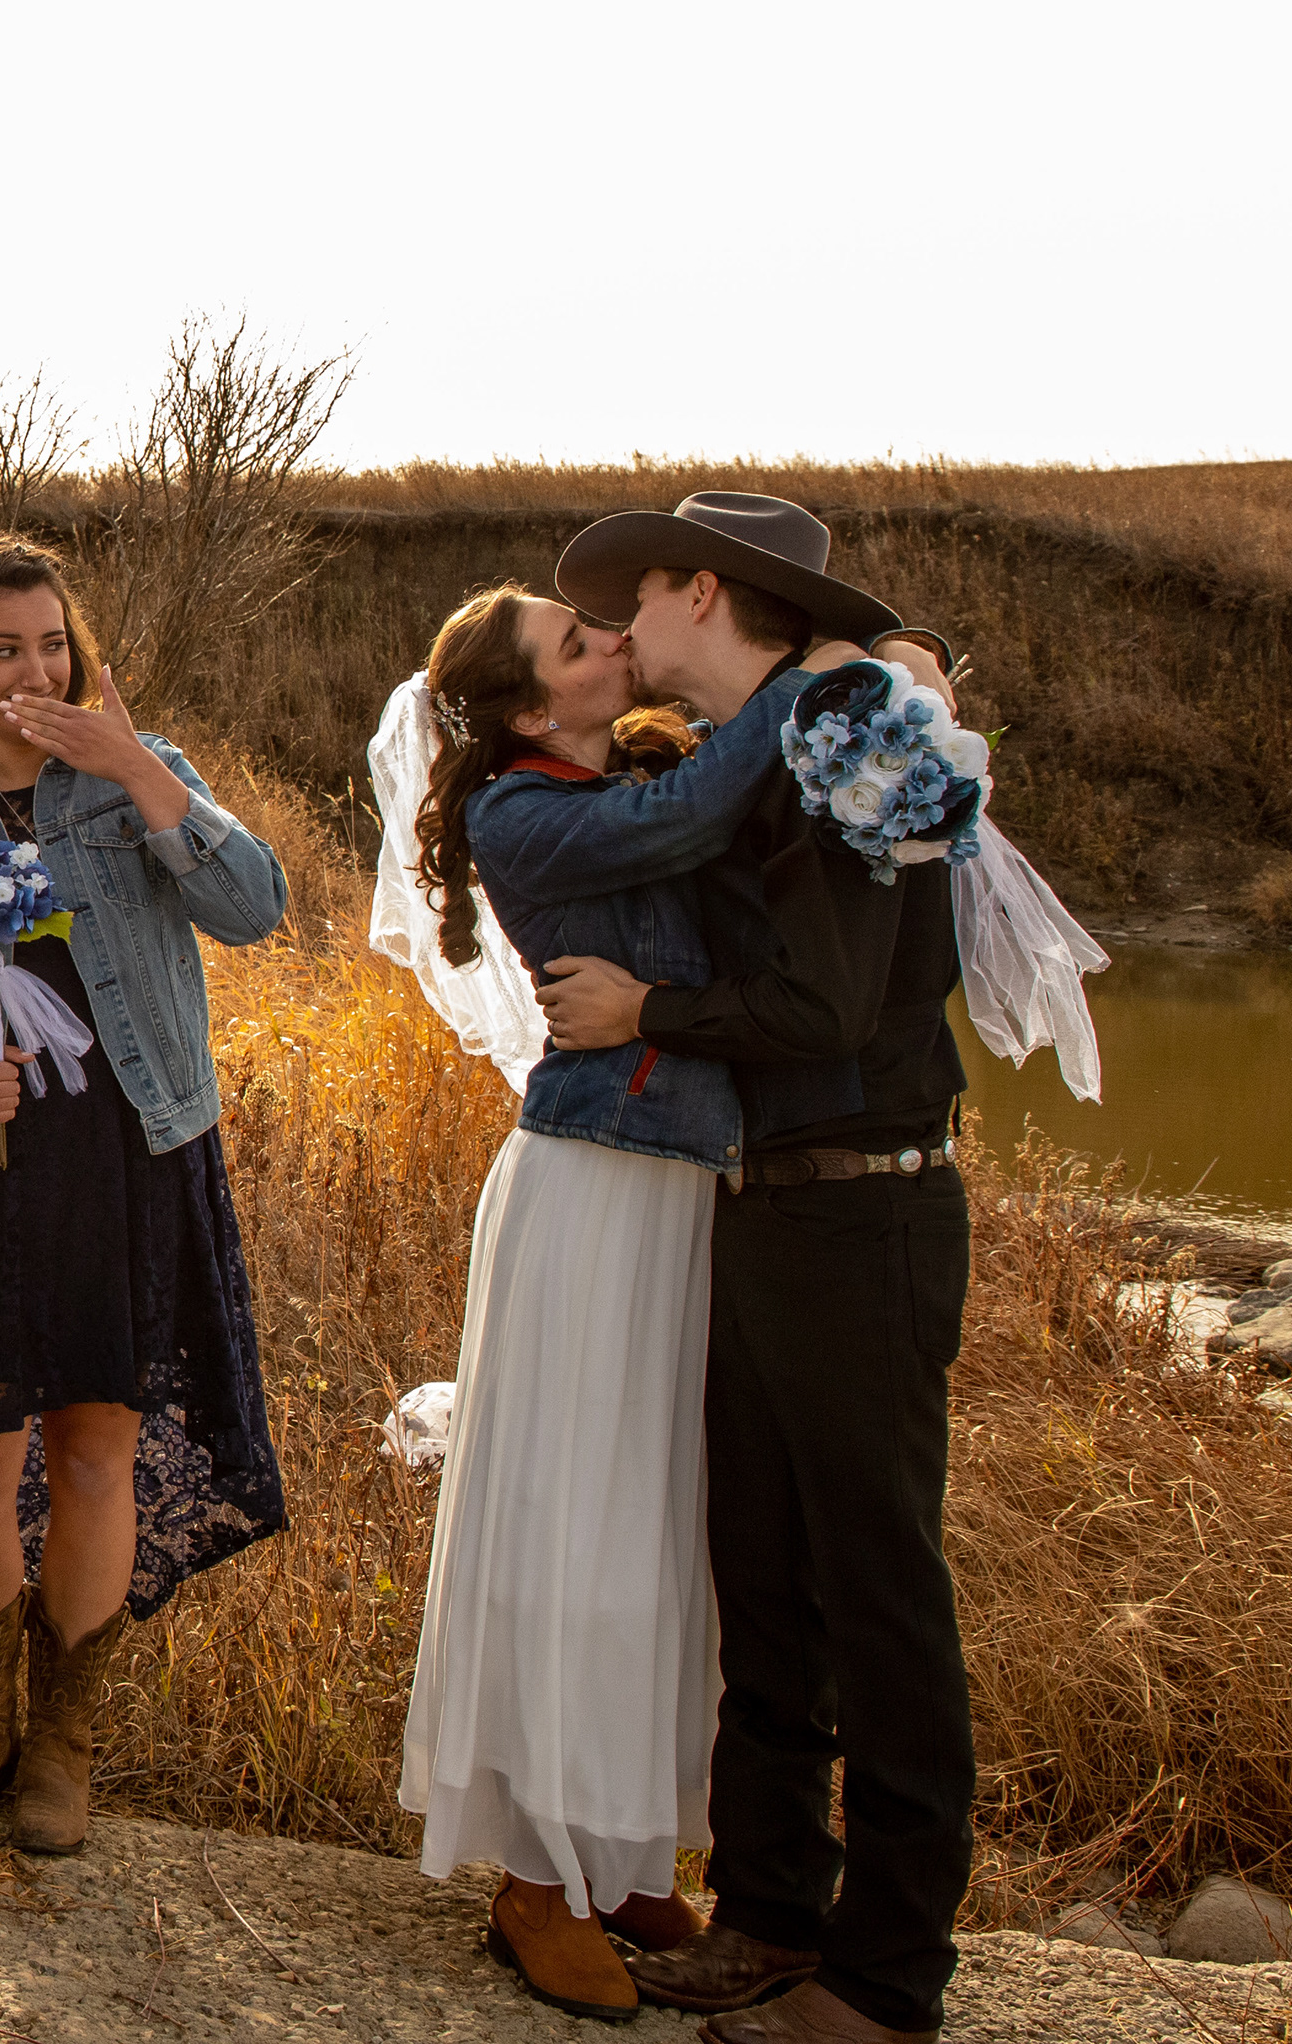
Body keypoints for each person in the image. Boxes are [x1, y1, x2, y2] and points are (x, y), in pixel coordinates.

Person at [381, 578, 861, 2019]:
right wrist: (819, 677)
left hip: (687, 1189)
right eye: (577, 643)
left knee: (659, 1527)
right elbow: (690, 821)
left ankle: (625, 1847)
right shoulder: (521, 812)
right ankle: (535, 1881)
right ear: (531, 703)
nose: (611, 644)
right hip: (591, 1187)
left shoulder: (631, 773)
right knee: (572, 1523)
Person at [532, 494, 973, 2044]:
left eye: (639, 600)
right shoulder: (765, 749)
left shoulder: (850, 744)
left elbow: (828, 1011)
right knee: (769, 1588)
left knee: (878, 1598)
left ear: (705, 595)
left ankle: (890, 1975)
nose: (622, 631)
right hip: (767, 1209)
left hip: (868, 1211)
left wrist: (645, 1013)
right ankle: (775, 1913)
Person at [0, 537, 291, 1857]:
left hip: (131, 1155)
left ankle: (63, 1744)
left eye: (53, 644)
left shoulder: (137, 780)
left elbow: (255, 907)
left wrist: (140, 768)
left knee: (97, 1451)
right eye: (4, 649)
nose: (35, 671)